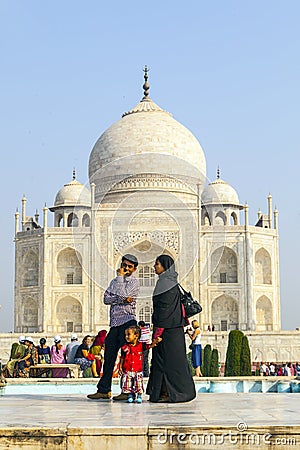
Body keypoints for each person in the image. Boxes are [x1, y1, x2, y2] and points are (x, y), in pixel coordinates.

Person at [87, 254, 140, 400]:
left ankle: (127, 391)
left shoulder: (134, 282)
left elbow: (126, 295)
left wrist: (119, 281)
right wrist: (120, 299)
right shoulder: (114, 281)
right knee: (109, 358)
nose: (126, 268)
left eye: (129, 266)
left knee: (127, 358)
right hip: (115, 325)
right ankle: (104, 390)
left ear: (134, 269)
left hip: (128, 323)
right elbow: (106, 299)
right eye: (124, 265)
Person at [146, 255, 196, 403]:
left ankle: (173, 393)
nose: (155, 266)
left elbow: (164, 311)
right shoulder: (170, 282)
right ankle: (165, 393)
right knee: (169, 363)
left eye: (157, 264)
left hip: (166, 332)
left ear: (164, 266)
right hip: (174, 331)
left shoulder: (164, 284)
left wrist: (158, 332)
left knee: (167, 363)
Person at [119, 325, 161, 403]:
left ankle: (139, 395)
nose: (126, 337)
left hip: (137, 370)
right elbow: (122, 357)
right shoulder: (125, 347)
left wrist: (155, 342)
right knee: (128, 384)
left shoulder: (141, 345)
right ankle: (130, 394)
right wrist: (120, 366)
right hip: (127, 369)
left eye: (128, 334)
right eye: (126, 335)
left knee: (138, 383)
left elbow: (149, 346)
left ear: (136, 336)